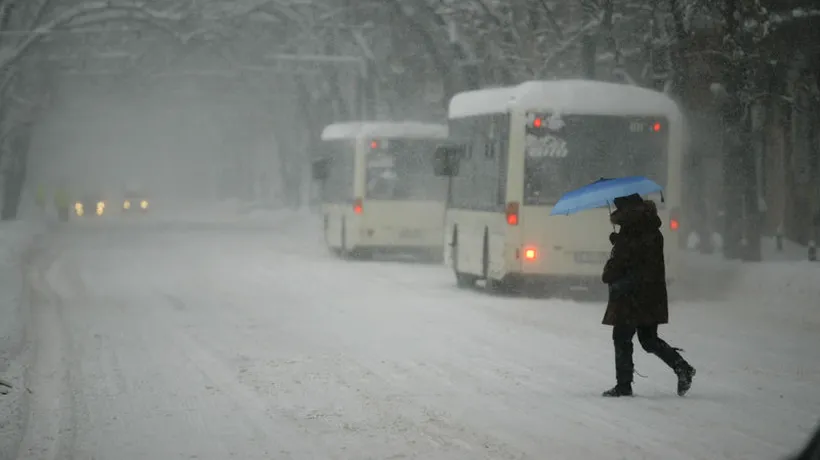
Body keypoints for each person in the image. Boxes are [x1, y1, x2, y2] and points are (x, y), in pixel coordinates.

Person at [601, 193, 696, 397]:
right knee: (649, 339)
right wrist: (620, 241)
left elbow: (620, 266)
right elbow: (642, 258)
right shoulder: (651, 229)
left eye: (619, 209)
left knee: (622, 337)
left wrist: (616, 252)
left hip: (631, 294)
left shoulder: (631, 233)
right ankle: (682, 367)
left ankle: (624, 385)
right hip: (651, 293)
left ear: (626, 211)